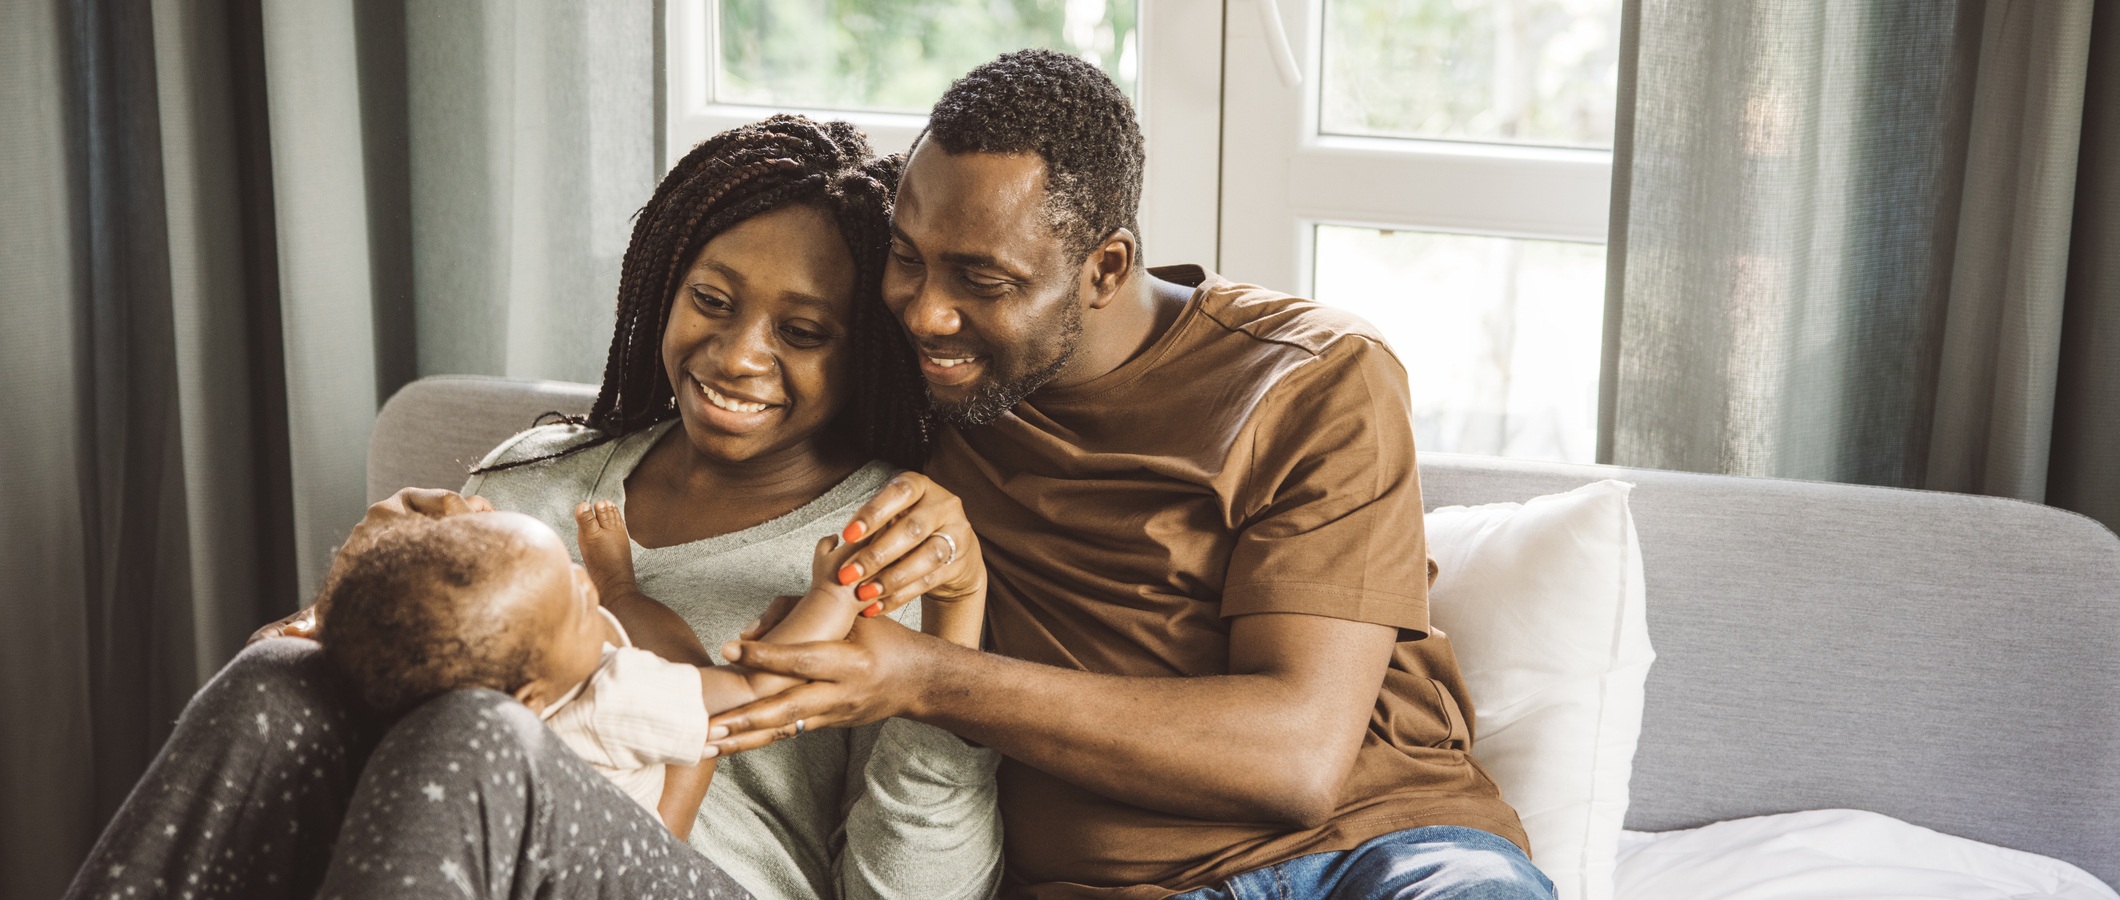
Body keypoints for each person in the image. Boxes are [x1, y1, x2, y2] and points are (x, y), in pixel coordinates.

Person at [64, 115, 1002, 900]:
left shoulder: (892, 537)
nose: (738, 354)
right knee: (275, 676)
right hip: (444, 860)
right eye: (710, 300)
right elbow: (389, 666)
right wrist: (351, 587)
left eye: (801, 332)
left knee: (477, 733)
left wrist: (953, 631)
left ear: (868, 350)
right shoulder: (533, 480)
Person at [700, 51, 1557, 899]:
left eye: (984, 280)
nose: (927, 311)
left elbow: (1296, 760)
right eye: (909, 257)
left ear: (1106, 268)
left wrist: (926, 677)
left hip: (1383, 849)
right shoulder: (914, 378)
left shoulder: (1313, 376)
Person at [317, 507, 875, 837]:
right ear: (528, 699)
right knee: (698, 701)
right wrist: (835, 592)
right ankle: (623, 587)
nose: (580, 583)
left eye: (569, 566)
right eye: (576, 604)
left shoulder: (417, 709)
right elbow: (754, 689)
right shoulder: (607, 700)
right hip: (640, 868)